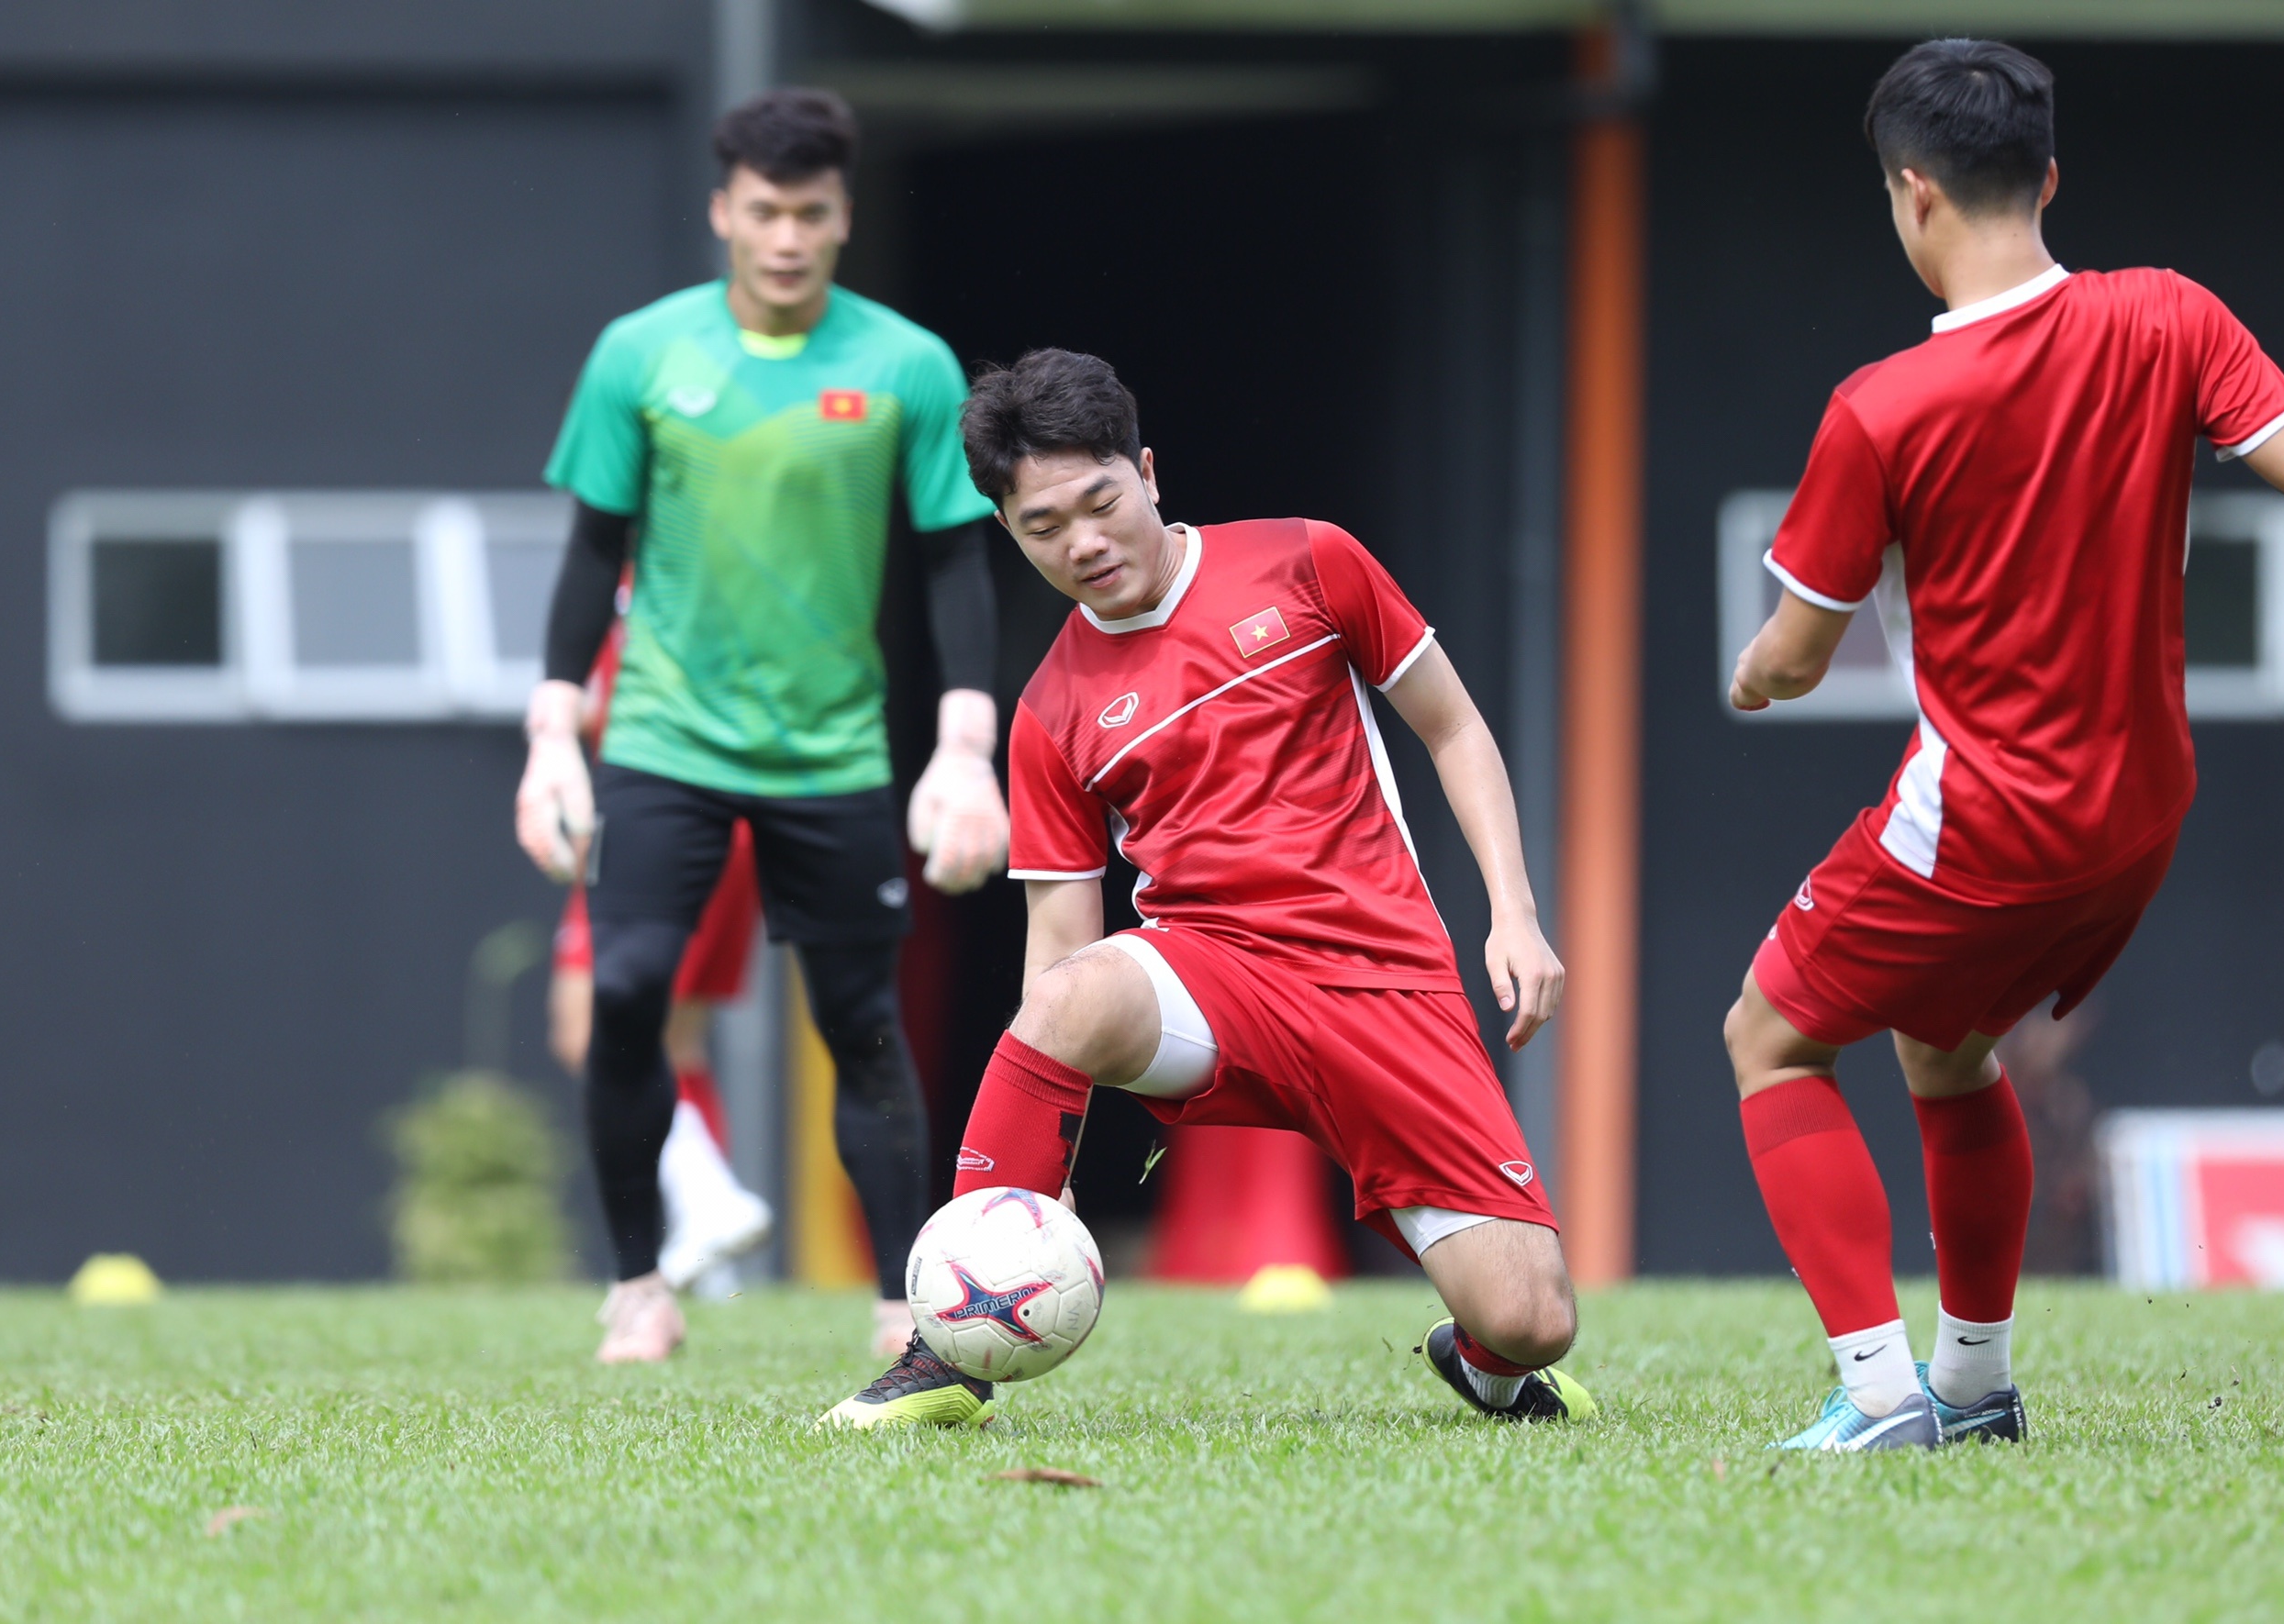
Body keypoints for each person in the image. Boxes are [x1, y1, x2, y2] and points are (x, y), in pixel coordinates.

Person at [1721, 39, 2284, 1451]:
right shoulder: (2169, 313)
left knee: (1767, 1037)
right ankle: (1977, 1384)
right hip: (2143, 808)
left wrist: (1754, 671)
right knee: (1946, 1048)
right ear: (2048, 177)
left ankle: (1878, 1396)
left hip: (1989, 812)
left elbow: (1797, 658)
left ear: (1911, 194)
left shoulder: (1882, 406)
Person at [823, 349, 1589, 1429]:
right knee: (1071, 998)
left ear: (1146, 469)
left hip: (1385, 980)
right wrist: (1036, 1178)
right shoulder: (1048, 710)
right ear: (1009, 534)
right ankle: (945, 1355)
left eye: (1099, 503)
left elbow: (1452, 727)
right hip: (1212, 975)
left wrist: (1513, 912)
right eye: (1043, 529)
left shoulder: (1310, 563)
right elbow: (1059, 945)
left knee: (1533, 1321)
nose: (1083, 543)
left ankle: (1482, 1359)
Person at [515, 87, 1008, 1364]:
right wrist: (551, 734)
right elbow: (588, 554)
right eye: (766, 211)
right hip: (664, 741)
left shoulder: (906, 364)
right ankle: (638, 1285)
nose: (787, 237)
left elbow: (955, 565)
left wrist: (965, 749)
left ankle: (905, 1304)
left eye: (813, 213)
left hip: (835, 753)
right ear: (724, 210)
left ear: (843, 217)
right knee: (623, 992)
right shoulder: (641, 353)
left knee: (859, 1018)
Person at [546, 615, 774, 1311]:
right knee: (676, 1042)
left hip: (658, 821)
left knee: (589, 1030)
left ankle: (710, 1201)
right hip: (734, 826)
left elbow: (600, 706)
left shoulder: (649, 580)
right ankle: (711, 1259)